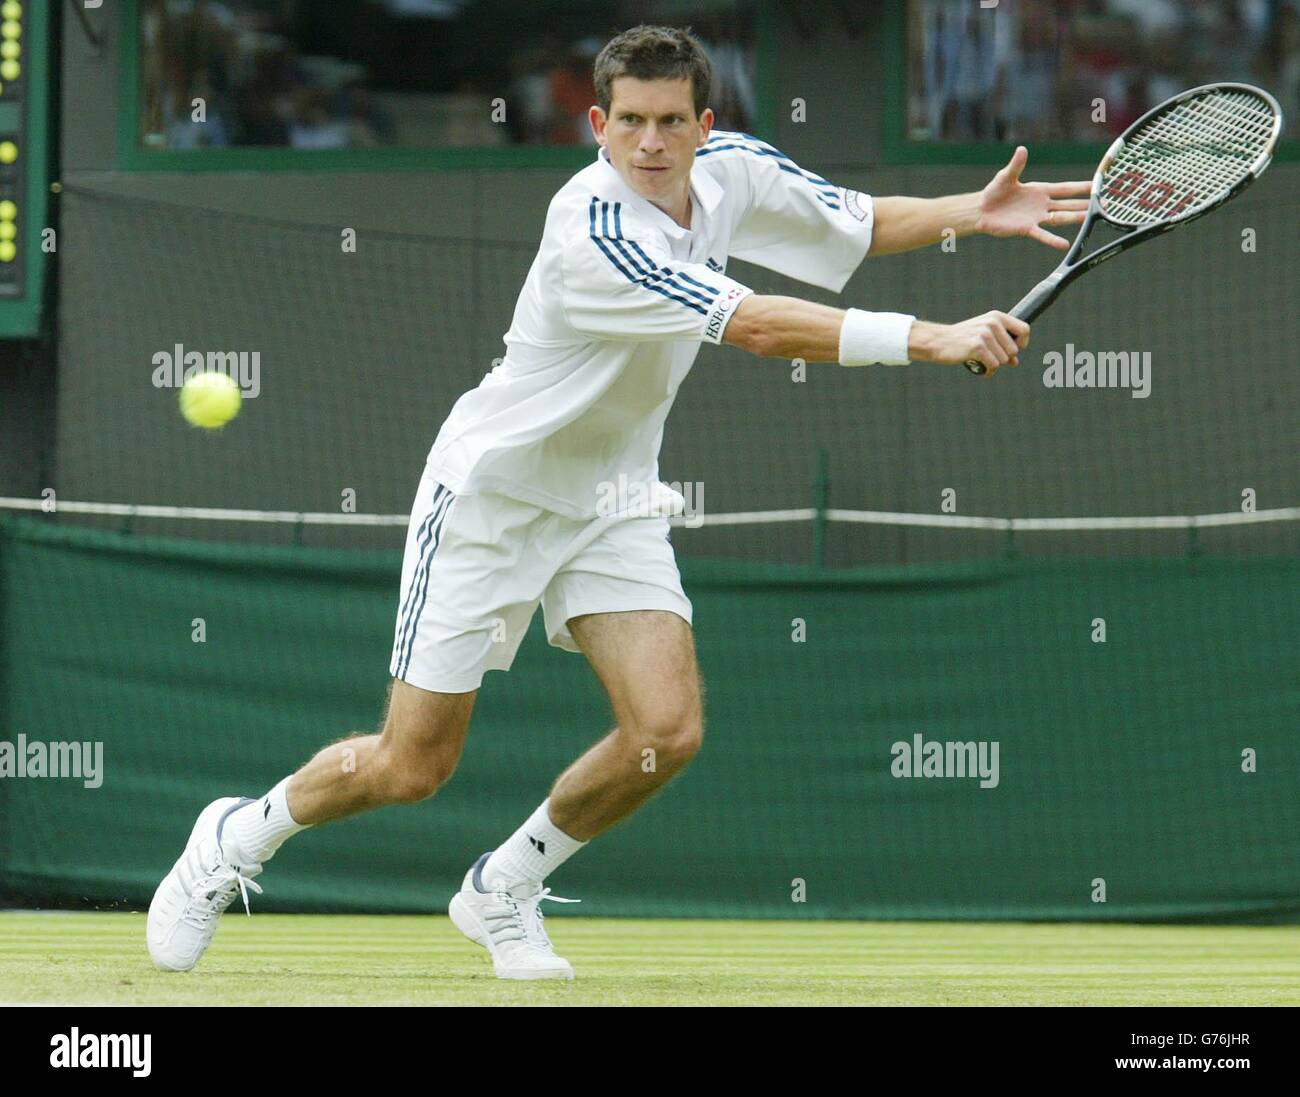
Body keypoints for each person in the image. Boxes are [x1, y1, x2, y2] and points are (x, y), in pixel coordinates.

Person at [146, 24, 1089, 981]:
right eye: (629, 121)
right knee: (412, 765)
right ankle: (233, 838)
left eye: (670, 122)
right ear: (597, 123)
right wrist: (932, 338)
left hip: (614, 496)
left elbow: (851, 222)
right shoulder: (593, 233)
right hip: (493, 499)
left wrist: (972, 209)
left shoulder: (732, 168)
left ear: (702, 123)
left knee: (667, 729)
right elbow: (758, 326)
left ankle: (503, 884)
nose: (650, 143)